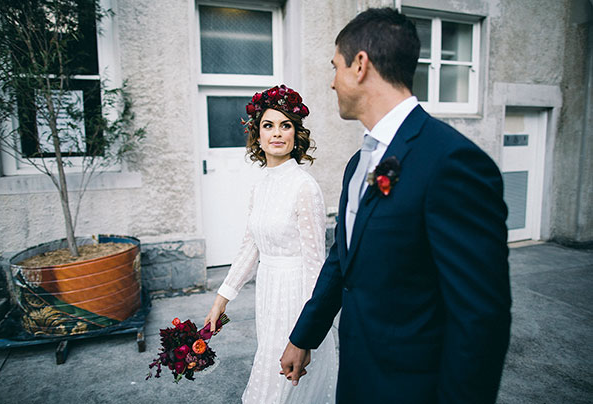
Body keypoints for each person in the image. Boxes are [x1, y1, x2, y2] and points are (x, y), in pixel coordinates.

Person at [280, 8, 512, 404]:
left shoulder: (452, 163)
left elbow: (479, 318)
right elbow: (343, 259)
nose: (331, 82)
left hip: (412, 388)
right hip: (357, 378)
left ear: (360, 65)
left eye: (335, 67)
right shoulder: (359, 164)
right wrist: (304, 336)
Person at [204, 85, 337, 404]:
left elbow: (315, 267)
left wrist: (306, 333)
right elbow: (250, 248)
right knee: (269, 367)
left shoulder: (305, 188)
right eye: (268, 125)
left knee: (281, 387)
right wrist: (222, 299)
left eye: (285, 125)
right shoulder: (260, 186)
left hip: (296, 296)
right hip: (268, 292)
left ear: (295, 134)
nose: (277, 133)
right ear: (258, 135)